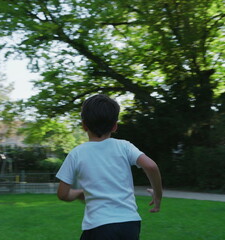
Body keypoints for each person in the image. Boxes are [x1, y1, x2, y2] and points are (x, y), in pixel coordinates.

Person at [56, 94, 163, 240]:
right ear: (115, 126)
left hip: (99, 226)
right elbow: (151, 166)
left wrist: (78, 193)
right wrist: (158, 195)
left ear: (84, 125)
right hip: (130, 225)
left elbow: (62, 194)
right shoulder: (124, 146)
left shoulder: (76, 154)